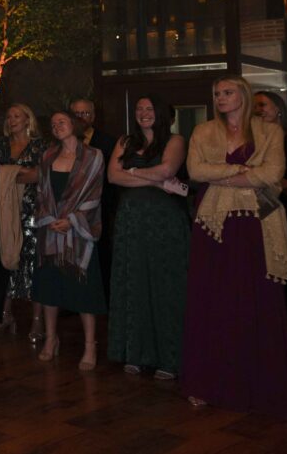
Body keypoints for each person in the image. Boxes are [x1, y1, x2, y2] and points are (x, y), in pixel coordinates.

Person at [183, 76, 287, 415]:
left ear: (244, 96)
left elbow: (273, 173)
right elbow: (195, 170)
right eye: (217, 93)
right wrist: (240, 171)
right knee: (213, 298)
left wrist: (223, 176)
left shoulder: (270, 132)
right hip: (214, 225)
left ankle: (261, 383)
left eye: (228, 92)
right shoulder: (202, 132)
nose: (221, 98)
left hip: (256, 225)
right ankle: (207, 383)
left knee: (254, 297)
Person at [106, 95, 190, 380]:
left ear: (162, 112)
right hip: (130, 220)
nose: (143, 113)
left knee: (165, 283)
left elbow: (168, 170)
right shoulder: (125, 142)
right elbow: (113, 178)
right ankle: (135, 353)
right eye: (140, 109)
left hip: (164, 221)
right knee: (134, 282)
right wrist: (152, 179)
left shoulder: (175, 141)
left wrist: (132, 171)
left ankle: (169, 357)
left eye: (149, 108)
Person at [33, 111, 106, 372]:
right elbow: (41, 193)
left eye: (61, 121)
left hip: (79, 234)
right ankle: (51, 339)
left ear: (74, 124)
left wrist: (73, 220)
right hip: (50, 231)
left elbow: (95, 194)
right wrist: (49, 219)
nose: (56, 126)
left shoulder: (93, 156)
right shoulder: (47, 156)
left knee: (84, 290)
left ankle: (90, 345)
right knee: (49, 288)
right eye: (52, 124)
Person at [0, 103, 48, 342]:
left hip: (32, 212)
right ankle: (4, 315)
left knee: (33, 265)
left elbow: (40, 174)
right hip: (2, 211)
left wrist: (7, 173)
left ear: (28, 120)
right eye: (8, 116)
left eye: (17, 116)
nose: (12, 120)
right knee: (4, 260)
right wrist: (17, 173)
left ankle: (38, 322)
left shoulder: (41, 146)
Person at [254, 90, 287, 317]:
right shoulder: (252, 141)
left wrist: (279, 180)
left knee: (285, 254)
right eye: (255, 106)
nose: (258, 110)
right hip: (260, 207)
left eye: (263, 105)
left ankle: (286, 305)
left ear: (278, 109)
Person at [71, 98, 118, 301]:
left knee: (100, 253)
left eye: (86, 113)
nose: (82, 117)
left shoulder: (108, 142)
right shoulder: (63, 142)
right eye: (77, 114)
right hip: (71, 210)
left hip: (100, 208)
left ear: (94, 116)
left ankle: (101, 298)